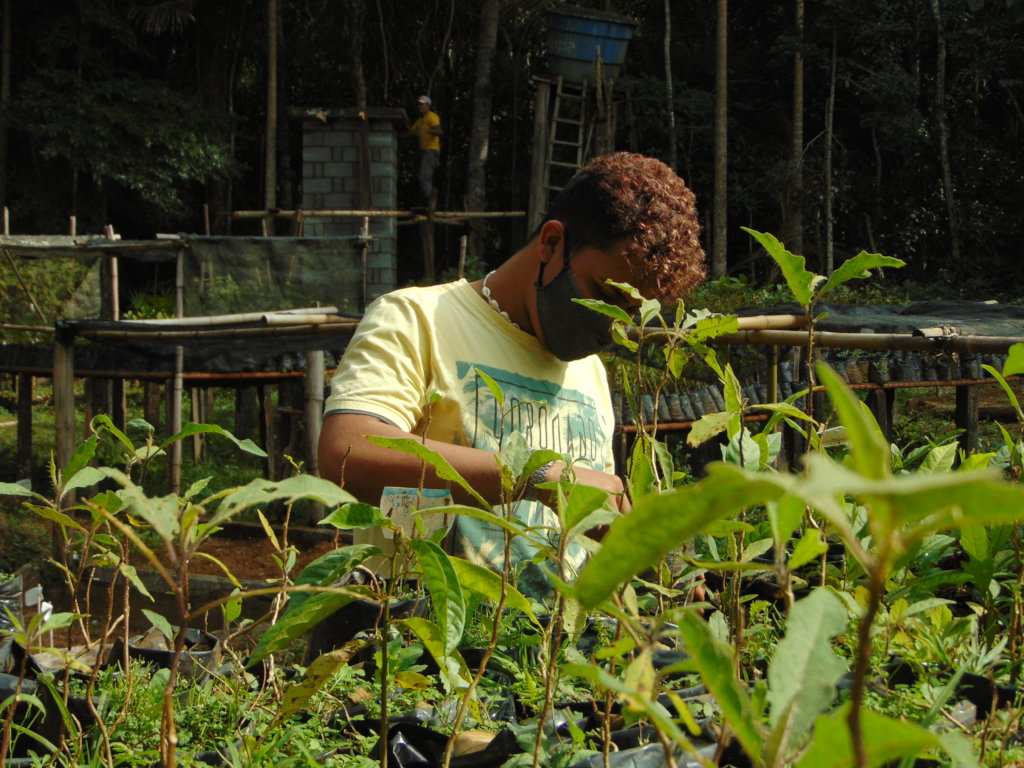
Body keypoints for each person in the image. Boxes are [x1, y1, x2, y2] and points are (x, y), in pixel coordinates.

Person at [318, 152, 706, 595]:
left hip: (549, 654)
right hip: (423, 644)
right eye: (602, 293)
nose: (613, 325)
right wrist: (539, 477)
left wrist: (653, 562)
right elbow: (345, 452)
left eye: (632, 313)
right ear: (552, 243)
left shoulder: (590, 374)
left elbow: (588, 535)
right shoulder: (418, 319)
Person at [408, 94, 443, 206]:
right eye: (419, 104)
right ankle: (429, 200)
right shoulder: (420, 121)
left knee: (424, 178)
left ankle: (431, 202)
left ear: (428, 105)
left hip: (431, 150)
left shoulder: (432, 116)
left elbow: (439, 131)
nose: (420, 106)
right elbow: (410, 132)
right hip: (424, 152)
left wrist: (428, 130)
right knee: (424, 177)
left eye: (422, 104)